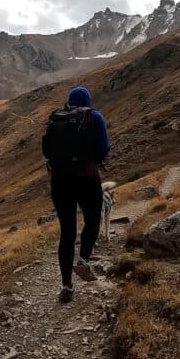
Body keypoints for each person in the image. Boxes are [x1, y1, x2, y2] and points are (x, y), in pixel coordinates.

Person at [41, 86, 110, 303]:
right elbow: (103, 150)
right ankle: (83, 259)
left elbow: (47, 152)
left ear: (69, 102)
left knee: (67, 232)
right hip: (87, 178)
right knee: (92, 220)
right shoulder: (94, 117)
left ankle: (66, 286)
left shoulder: (57, 119)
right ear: (88, 101)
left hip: (60, 181)